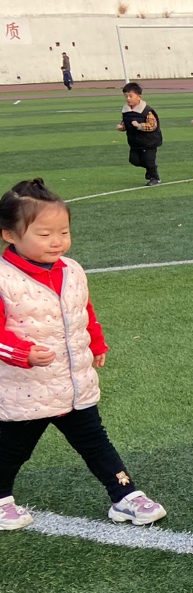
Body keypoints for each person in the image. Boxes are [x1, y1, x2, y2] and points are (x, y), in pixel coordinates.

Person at [0, 179, 167, 531]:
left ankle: (125, 495)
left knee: (95, 441)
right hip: (24, 388)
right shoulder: (4, 279)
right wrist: (23, 354)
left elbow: (83, 310)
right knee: (13, 450)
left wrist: (96, 343)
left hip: (74, 383)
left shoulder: (71, 269)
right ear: (9, 235)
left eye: (63, 232)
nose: (57, 241)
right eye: (44, 234)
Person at [116, 82, 162, 187]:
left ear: (139, 97)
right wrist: (122, 127)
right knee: (134, 160)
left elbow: (153, 125)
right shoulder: (126, 111)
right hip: (135, 142)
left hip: (149, 141)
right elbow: (125, 123)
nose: (128, 99)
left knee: (148, 160)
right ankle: (150, 168)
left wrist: (140, 126)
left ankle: (154, 178)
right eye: (126, 96)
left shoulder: (147, 111)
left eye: (130, 96)